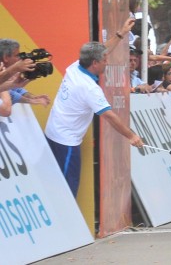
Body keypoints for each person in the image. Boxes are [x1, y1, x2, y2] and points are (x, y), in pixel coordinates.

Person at [45, 19, 144, 197]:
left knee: (59, 186)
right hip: (65, 141)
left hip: (54, 132)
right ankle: (68, 223)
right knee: (67, 190)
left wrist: (121, 34)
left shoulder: (76, 66)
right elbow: (110, 116)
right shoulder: (89, 88)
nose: (107, 62)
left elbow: (102, 50)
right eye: (104, 60)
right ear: (95, 63)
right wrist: (131, 136)